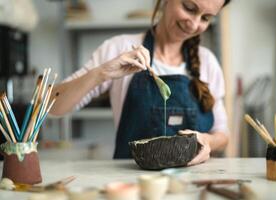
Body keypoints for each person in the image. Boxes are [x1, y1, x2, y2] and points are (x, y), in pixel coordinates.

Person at [50, 0, 231, 165]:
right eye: (189, 8)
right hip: (133, 184)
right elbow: (52, 106)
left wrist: (207, 141)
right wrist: (102, 73)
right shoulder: (120, 48)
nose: (193, 25)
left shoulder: (207, 62)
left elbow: (222, 134)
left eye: (205, 18)